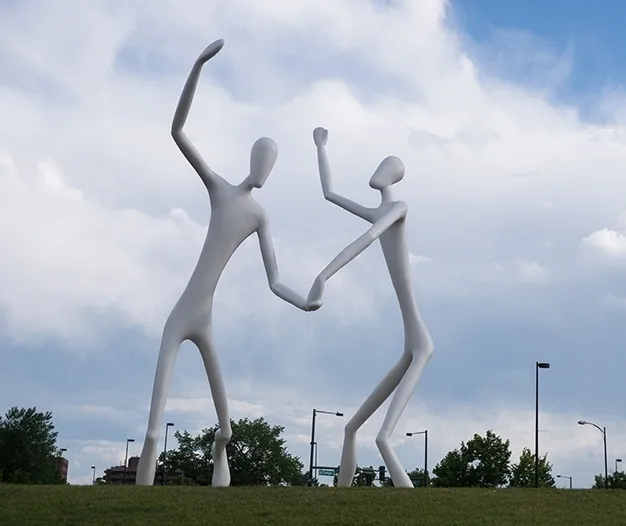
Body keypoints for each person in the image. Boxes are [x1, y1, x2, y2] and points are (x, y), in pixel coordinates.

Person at [135, 39, 317, 487]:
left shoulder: (259, 215)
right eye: (261, 160)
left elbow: (274, 281)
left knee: (229, 429)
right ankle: (136, 501)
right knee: (155, 428)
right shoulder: (220, 190)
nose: (264, 169)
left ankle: (221, 454)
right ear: (250, 160)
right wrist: (197, 65)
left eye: (271, 164)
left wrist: (305, 302)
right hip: (181, 317)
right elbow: (178, 131)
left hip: (207, 320)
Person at [307, 127, 434, 488]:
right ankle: (344, 495)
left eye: (388, 168)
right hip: (410, 341)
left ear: (394, 178)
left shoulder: (398, 208)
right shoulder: (380, 210)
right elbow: (329, 194)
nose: (379, 171)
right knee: (350, 429)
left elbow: (368, 238)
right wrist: (320, 147)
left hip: (420, 341)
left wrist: (324, 276)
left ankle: (399, 476)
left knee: (382, 436)